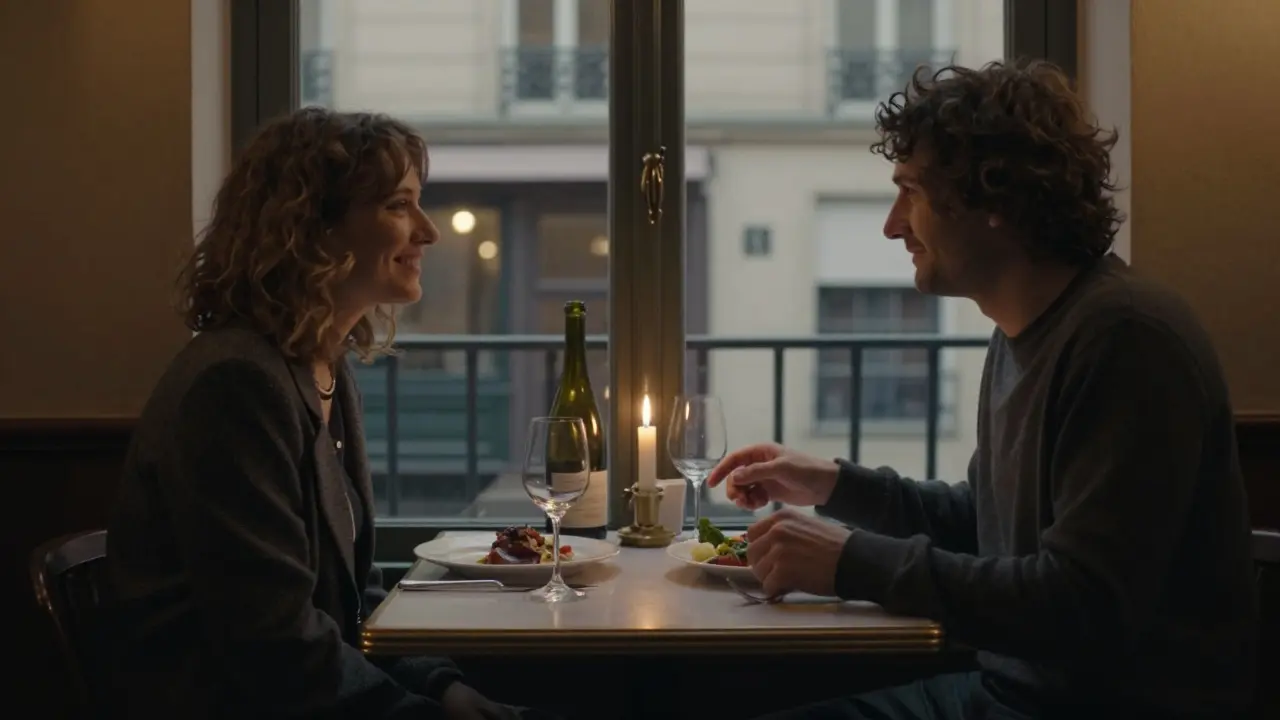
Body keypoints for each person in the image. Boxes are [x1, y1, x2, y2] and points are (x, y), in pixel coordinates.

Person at [708, 60, 1257, 719]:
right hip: (1007, 694)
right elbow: (985, 525)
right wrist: (832, 483)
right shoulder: (1024, 332)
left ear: (995, 198)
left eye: (910, 191)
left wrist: (851, 561)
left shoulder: (1128, 340)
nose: (891, 224)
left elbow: (1083, 602)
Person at [105, 108, 539, 719]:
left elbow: (345, 601)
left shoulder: (320, 369)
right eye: (398, 205)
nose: (427, 232)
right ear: (313, 228)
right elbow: (274, 645)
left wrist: (441, 685)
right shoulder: (236, 385)